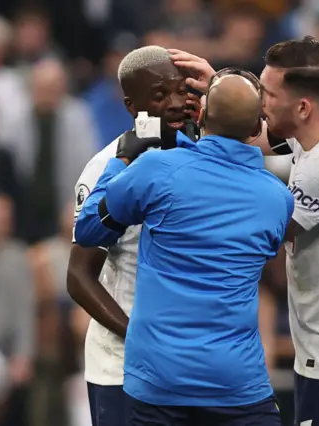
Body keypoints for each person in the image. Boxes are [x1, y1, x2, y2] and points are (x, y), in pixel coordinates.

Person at [170, 37, 319, 426]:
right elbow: (257, 136)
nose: (259, 102)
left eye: (266, 93)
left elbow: (261, 232)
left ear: (302, 107)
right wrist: (224, 92)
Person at [74, 70, 293, 426]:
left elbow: (88, 230)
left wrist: (121, 161)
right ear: (256, 129)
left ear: (201, 114)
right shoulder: (278, 198)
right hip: (236, 381)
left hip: (159, 378)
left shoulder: (156, 169)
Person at [66, 45, 193, 426]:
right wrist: (136, 336)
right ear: (130, 104)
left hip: (189, 361)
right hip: (123, 367)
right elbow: (78, 275)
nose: (174, 103)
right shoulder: (104, 169)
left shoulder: (202, 155)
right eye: (159, 95)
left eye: (180, 90)